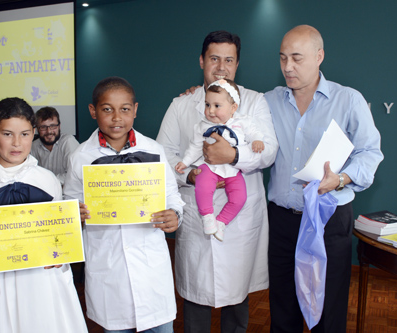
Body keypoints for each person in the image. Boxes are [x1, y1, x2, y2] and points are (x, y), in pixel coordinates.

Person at [264, 25, 384, 333]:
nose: (288, 67)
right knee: (282, 310)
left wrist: (341, 178)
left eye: (297, 58)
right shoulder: (268, 102)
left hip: (329, 220)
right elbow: (225, 108)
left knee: (328, 314)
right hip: (281, 222)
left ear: (319, 57)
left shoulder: (348, 100)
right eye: (282, 58)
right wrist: (199, 93)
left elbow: (370, 153)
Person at [156, 30, 278, 331]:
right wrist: (191, 174)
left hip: (239, 217)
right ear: (201, 61)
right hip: (197, 211)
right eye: (214, 59)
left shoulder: (254, 101)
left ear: (237, 65)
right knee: (195, 295)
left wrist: (233, 156)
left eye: (228, 60)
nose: (221, 67)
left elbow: (270, 151)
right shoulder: (182, 104)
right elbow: (164, 153)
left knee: (237, 296)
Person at [0, 97, 88, 333]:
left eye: (25, 134)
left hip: (45, 283)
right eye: (7, 134)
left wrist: (67, 230)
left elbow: (55, 239)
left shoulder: (47, 180)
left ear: (34, 133)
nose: (17, 143)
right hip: (0, 285)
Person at [63, 77, 183, 332]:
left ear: (135, 110)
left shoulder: (154, 149)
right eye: (107, 109)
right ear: (93, 111)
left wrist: (175, 214)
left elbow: (172, 195)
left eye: (125, 109)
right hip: (108, 268)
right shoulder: (80, 157)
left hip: (151, 268)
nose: (117, 117)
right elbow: (68, 204)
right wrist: (76, 212)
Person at [175, 78, 265, 242]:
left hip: (232, 170)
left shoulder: (242, 122)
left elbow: (254, 133)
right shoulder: (202, 126)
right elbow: (195, 147)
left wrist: (257, 140)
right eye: (207, 104)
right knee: (202, 185)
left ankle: (222, 221)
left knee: (240, 197)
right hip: (210, 167)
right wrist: (185, 163)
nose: (210, 111)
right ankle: (207, 215)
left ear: (233, 108)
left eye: (217, 106)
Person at [30, 106, 79, 185]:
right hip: (43, 195)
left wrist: (46, 182)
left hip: (67, 195)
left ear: (59, 126)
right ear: (37, 129)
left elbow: (75, 175)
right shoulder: (33, 146)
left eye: (53, 126)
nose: (49, 131)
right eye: (43, 127)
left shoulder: (68, 141)